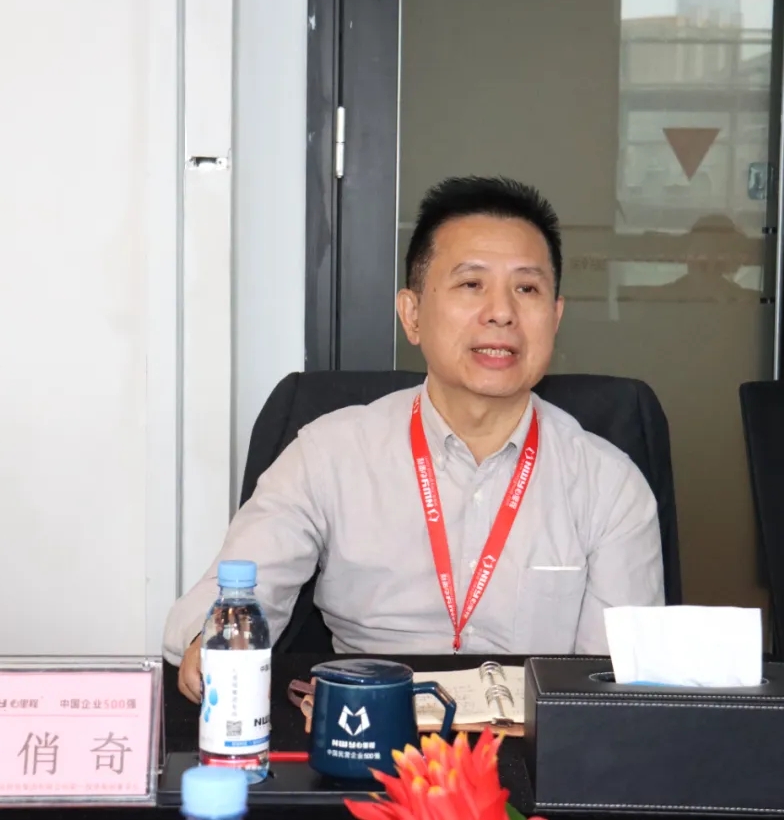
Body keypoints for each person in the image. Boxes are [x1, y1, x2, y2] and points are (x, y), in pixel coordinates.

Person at [165, 176, 664, 703]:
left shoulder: (609, 484)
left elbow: (614, 689)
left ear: (555, 317)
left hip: (538, 739)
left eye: (527, 289)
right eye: (471, 284)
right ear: (412, 314)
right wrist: (216, 640)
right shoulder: (330, 454)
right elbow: (236, 595)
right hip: (366, 727)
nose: (501, 312)